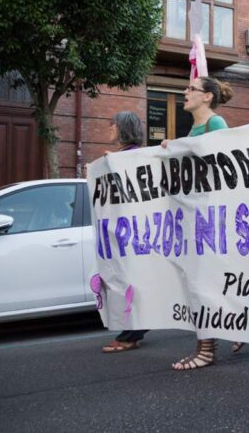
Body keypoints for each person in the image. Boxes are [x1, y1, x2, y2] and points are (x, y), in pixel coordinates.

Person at [163, 76, 235, 370]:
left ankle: (206, 349)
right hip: (193, 217)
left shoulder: (215, 124)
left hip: (211, 217)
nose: (185, 92)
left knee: (203, 282)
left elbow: (225, 162)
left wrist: (179, 148)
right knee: (200, 280)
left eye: (191, 89)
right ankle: (228, 331)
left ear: (207, 97)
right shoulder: (193, 128)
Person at [100, 111, 149, 353]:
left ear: (123, 128)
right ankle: (134, 329)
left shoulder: (134, 156)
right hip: (121, 230)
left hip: (132, 232)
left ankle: (133, 332)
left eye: (113, 124)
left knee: (132, 280)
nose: (109, 127)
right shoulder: (121, 156)